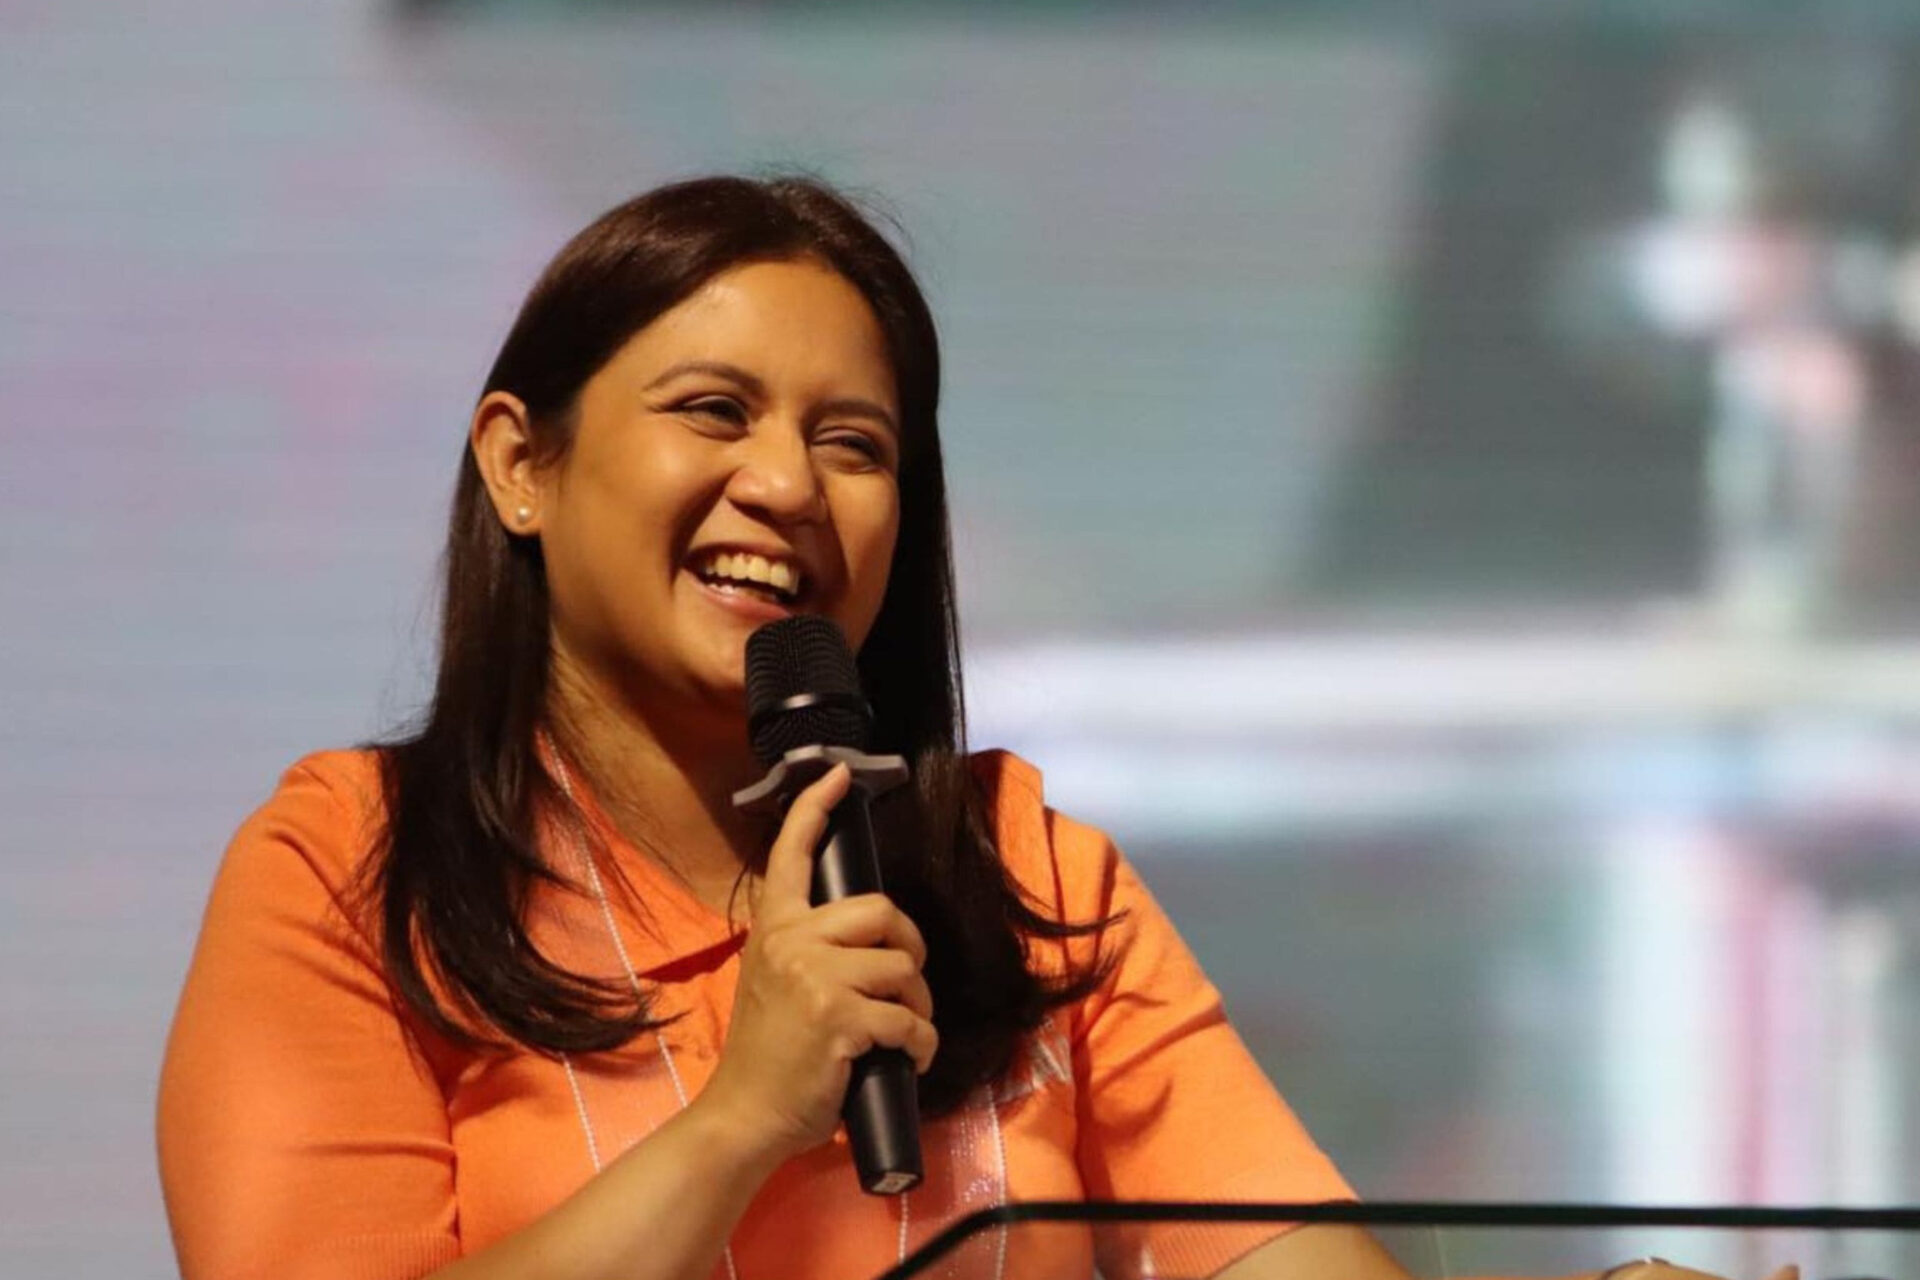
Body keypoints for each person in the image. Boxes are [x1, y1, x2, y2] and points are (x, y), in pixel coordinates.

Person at [156, 175, 1784, 1280]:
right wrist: (742, 1121)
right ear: (522, 463)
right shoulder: (353, 869)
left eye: (853, 443)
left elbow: (1277, 1262)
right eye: (714, 411)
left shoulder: (1016, 868)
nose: (786, 486)